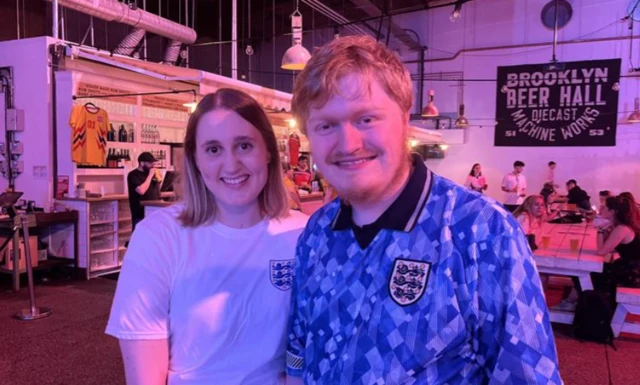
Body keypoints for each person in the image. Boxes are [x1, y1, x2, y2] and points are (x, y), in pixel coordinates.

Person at [286, 35, 561, 385]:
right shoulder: (318, 231)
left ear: (404, 118)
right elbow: (298, 348)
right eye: (326, 125)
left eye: (366, 119)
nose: (348, 144)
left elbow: (527, 377)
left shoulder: (480, 230)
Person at [106, 89, 308, 385]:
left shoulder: (302, 235)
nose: (231, 165)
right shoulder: (158, 238)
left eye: (244, 145)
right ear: (196, 160)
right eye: (213, 149)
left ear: (267, 151)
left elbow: (305, 351)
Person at [592, 195, 640, 303]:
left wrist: (600, 230)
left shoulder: (621, 229)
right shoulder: (621, 225)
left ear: (612, 211)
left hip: (633, 272)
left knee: (592, 273)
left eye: (604, 207)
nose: (601, 209)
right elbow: (603, 248)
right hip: (630, 267)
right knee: (594, 271)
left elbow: (601, 252)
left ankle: (600, 306)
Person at [127, 152, 161, 231]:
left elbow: (157, 192)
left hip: (153, 212)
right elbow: (141, 191)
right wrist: (150, 176)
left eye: (153, 163)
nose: (152, 166)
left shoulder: (151, 174)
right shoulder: (133, 175)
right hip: (140, 213)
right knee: (140, 238)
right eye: (149, 163)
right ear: (141, 163)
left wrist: (158, 179)